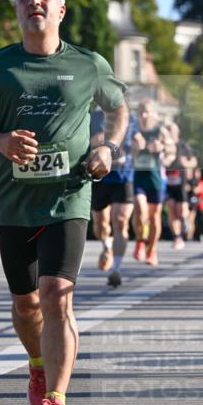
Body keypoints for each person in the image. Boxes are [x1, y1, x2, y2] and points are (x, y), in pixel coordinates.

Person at [0, 0, 128, 405]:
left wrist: (107, 147)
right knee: (27, 304)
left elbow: (119, 108)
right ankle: (36, 365)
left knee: (56, 294)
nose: (34, 1)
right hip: (13, 201)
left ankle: (56, 401)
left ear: (60, 10)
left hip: (69, 195)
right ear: (18, 10)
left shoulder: (88, 64)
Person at [90, 108, 135, 287]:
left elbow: (138, 142)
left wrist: (141, 145)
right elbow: (93, 141)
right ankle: (106, 245)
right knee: (101, 224)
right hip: (100, 175)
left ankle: (116, 268)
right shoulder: (94, 117)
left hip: (124, 177)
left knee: (121, 221)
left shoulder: (130, 117)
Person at [131, 100, 174, 266]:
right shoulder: (133, 131)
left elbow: (172, 152)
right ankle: (140, 241)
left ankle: (152, 250)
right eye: (141, 111)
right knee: (140, 210)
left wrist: (162, 148)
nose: (143, 115)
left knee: (154, 216)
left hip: (156, 178)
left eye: (147, 112)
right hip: (138, 177)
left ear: (155, 114)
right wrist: (134, 147)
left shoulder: (161, 131)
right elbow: (123, 151)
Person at [163, 121, 197, 251]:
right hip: (168, 183)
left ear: (177, 133)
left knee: (181, 210)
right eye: (167, 129)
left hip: (181, 183)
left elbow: (193, 161)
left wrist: (186, 164)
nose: (169, 132)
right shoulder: (163, 145)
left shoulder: (183, 146)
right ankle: (177, 237)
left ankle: (185, 222)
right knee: (171, 209)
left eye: (171, 130)